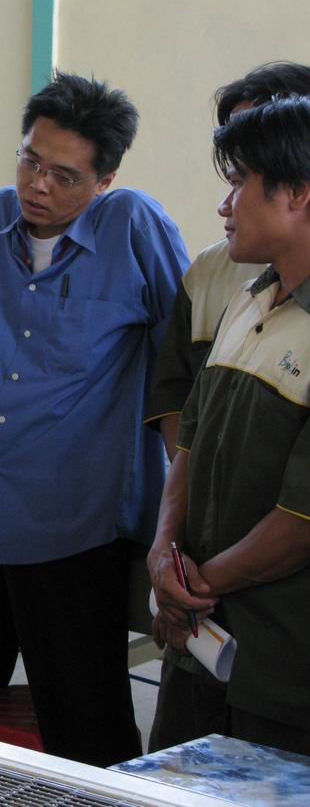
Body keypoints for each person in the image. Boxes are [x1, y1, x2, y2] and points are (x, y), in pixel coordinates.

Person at [0, 71, 188, 766]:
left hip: (76, 523)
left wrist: (182, 513)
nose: (37, 185)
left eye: (63, 176)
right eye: (30, 160)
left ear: (105, 180)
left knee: (84, 724)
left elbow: (179, 368)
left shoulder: (134, 227)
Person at [145, 62, 310, 752]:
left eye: (238, 182)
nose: (224, 205)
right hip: (198, 648)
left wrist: (193, 588)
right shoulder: (248, 297)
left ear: (297, 192)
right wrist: (164, 554)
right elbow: (190, 440)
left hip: (280, 671)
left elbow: (299, 523)